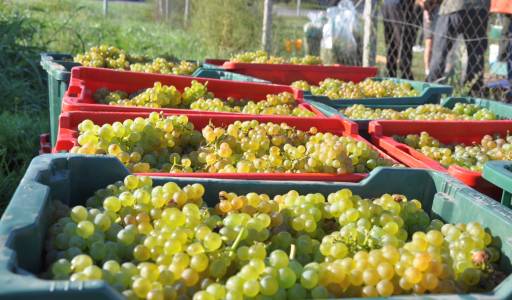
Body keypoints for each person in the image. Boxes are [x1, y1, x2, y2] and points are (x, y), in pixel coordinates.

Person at [426, 0, 490, 95]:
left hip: (453, 6)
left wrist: (428, 3)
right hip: (480, 7)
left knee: (439, 52)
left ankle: (432, 90)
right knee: (476, 54)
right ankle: (474, 93)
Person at [382, 0, 423, 79]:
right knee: (403, 40)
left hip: (387, 4)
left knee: (392, 41)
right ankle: (406, 75)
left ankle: (390, 73)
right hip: (400, 5)